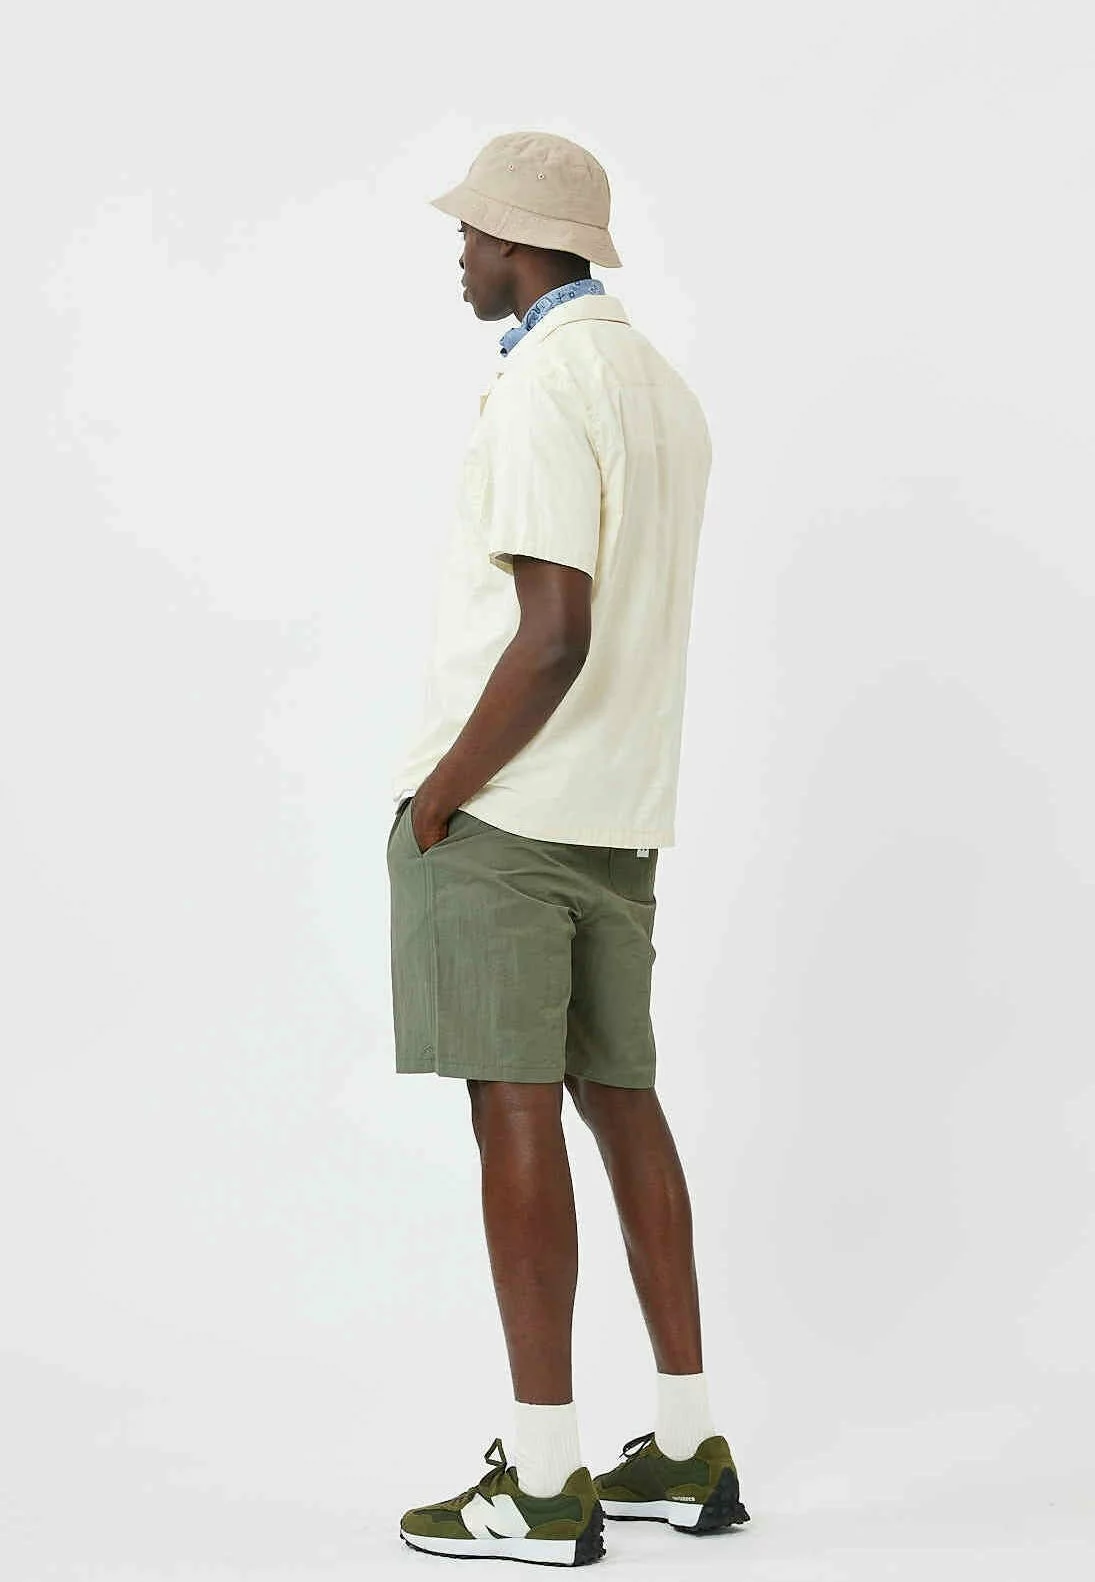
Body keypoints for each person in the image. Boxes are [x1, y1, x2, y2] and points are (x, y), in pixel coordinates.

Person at [387, 129, 749, 1566]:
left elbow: (553, 633)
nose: (461, 251)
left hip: (512, 815)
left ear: (527, 242)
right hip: (620, 817)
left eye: (475, 231)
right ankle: (685, 1444)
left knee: (517, 1113)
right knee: (624, 1104)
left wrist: (438, 794)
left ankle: (542, 1481)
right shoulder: (662, 389)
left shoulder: (547, 381)